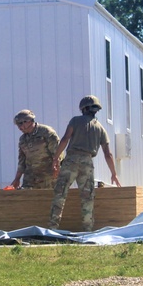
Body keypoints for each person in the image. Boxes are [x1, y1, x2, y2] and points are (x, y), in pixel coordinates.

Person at [48, 95, 122, 231]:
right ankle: (88, 230)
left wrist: (55, 158)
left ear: (83, 108)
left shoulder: (75, 121)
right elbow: (108, 154)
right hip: (87, 163)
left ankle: (53, 228)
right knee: (87, 198)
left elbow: (65, 139)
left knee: (60, 194)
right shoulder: (100, 128)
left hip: (71, 160)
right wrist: (114, 174)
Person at [9, 109, 61, 190]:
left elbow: (57, 153)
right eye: (18, 125)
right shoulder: (23, 139)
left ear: (29, 121)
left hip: (48, 178)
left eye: (20, 124)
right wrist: (17, 179)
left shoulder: (46, 132)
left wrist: (57, 168)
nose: (19, 127)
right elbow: (22, 162)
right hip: (31, 180)